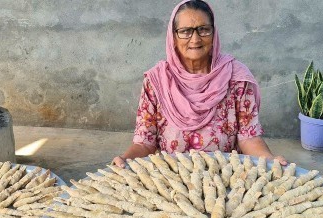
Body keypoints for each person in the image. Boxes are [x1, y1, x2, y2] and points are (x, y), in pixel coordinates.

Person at [112, 0, 286, 167]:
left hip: (226, 175)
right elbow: (145, 142)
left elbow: (249, 137)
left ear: (214, 33)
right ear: (173, 36)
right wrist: (125, 158)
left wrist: (270, 160)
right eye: (185, 31)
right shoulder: (156, 81)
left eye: (203, 30)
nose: (195, 39)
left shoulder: (236, 78)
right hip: (172, 179)